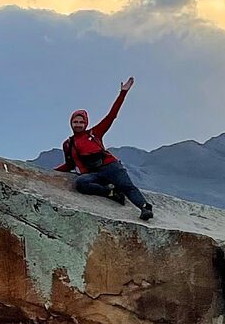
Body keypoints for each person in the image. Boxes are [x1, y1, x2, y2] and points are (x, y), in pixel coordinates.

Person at [55, 77, 154, 219]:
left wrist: (123, 93)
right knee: (81, 183)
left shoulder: (95, 133)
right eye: (75, 122)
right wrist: (50, 171)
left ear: (86, 123)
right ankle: (110, 192)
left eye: (81, 122)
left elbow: (112, 116)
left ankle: (145, 208)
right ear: (71, 123)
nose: (78, 124)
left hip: (111, 167)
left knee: (127, 187)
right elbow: (69, 164)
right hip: (94, 174)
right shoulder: (68, 144)